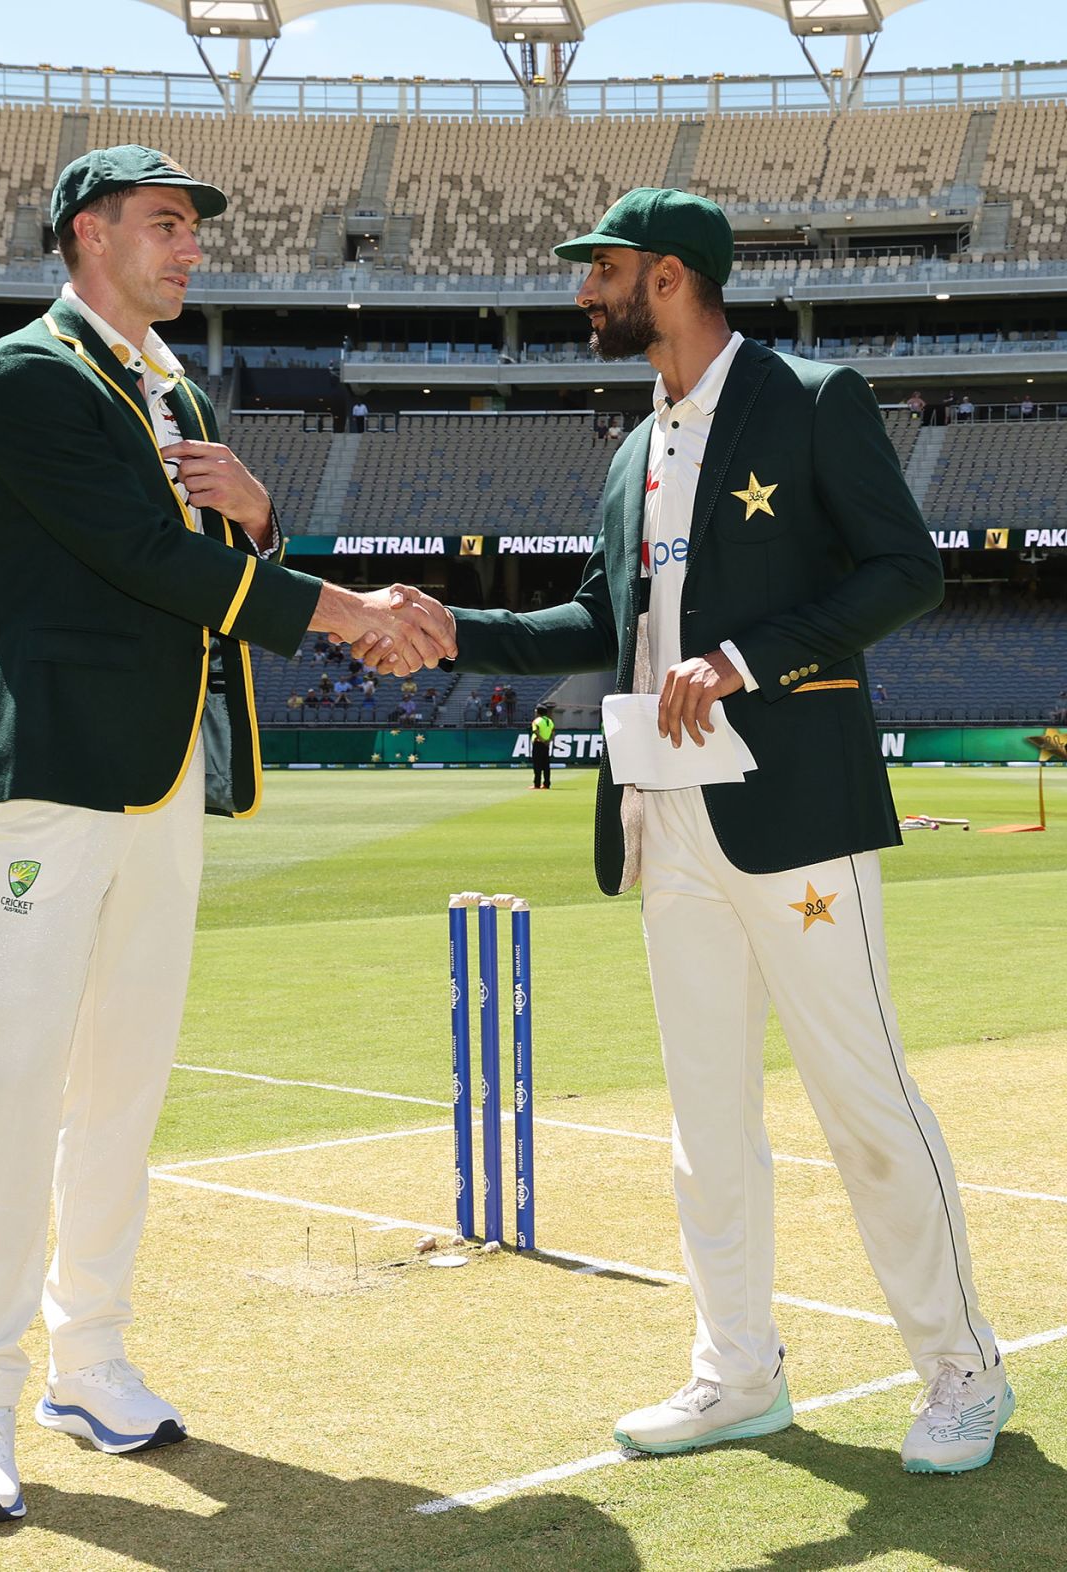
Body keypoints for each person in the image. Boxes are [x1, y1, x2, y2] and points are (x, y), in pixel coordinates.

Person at [362, 187, 1008, 1477]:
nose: (582, 292)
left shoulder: (811, 397)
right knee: (706, 1122)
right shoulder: (634, 445)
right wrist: (442, 631)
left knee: (864, 1101)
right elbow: (597, 628)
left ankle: (961, 1373)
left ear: (666, 276)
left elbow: (908, 571)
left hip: (797, 815)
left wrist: (739, 659)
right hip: (666, 820)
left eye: (598, 270)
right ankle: (738, 1374)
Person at [0, 143, 455, 1530]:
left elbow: (213, 558)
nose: (190, 250)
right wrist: (346, 610)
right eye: (166, 227)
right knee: (17, 1087)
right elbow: (148, 561)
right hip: (53, 771)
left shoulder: (173, 385)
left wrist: (265, 513)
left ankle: (87, 1359)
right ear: (90, 234)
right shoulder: (33, 374)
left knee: (120, 1085)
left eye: (191, 230)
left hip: (161, 782)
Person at [530, 704, 554, 789]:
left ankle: (537, 784)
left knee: (537, 765)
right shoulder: (549, 721)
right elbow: (553, 733)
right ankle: (546, 784)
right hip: (546, 745)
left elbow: (536, 732)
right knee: (546, 765)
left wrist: (542, 740)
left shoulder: (536, 721)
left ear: (538, 712)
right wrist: (548, 741)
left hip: (538, 744)